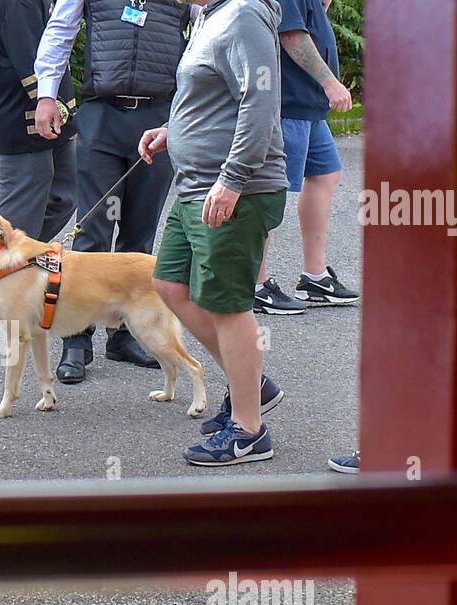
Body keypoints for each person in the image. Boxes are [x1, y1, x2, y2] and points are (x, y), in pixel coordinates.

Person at [139, 0, 288, 466]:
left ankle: (248, 432)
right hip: (194, 187)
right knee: (168, 283)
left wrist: (233, 178)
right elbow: (214, 94)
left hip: (233, 189)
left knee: (227, 305)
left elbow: (260, 98)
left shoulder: (244, 14)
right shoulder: (208, 16)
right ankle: (253, 385)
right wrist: (174, 129)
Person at [34, 0, 197, 384]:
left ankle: (126, 335)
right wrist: (45, 94)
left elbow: (207, 33)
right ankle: (76, 341)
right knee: (92, 232)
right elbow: (59, 31)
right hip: (102, 116)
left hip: (160, 117)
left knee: (140, 234)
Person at [253, 0, 360, 314]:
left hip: (309, 107)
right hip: (290, 104)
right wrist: (330, 83)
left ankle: (315, 278)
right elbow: (292, 35)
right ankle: (255, 285)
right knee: (270, 190)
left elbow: (311, 20)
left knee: (326, 175)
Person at [0, 0, 77, 244]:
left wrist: (69, 114)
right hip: (22, 118)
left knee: (65, 196)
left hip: (55, 116)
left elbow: (57, 55)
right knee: (19, 216)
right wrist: (53, 104)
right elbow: (30, 59)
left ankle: (18, 256)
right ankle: (4, 264)